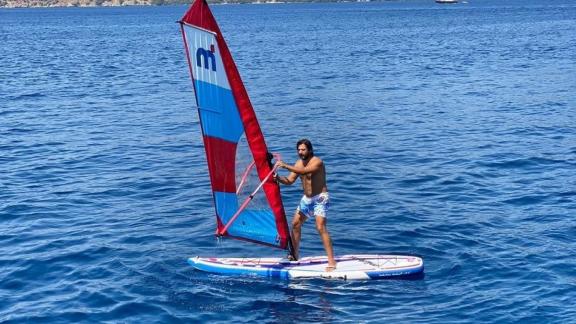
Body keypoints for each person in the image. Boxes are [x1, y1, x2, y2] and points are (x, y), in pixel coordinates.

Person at [275, 139, 336, 271]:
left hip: (320, 198)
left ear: (309, 150)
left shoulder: (318, 162)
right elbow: (290, 180)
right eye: (299, 150)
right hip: (307, 199)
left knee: (320, 227)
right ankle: (295, 255)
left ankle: (332, 262)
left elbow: (303, 171)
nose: (300, 152)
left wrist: (285, 165)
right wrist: (278, 178)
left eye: (303, 150)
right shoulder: (298, 163)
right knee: (295, 224)